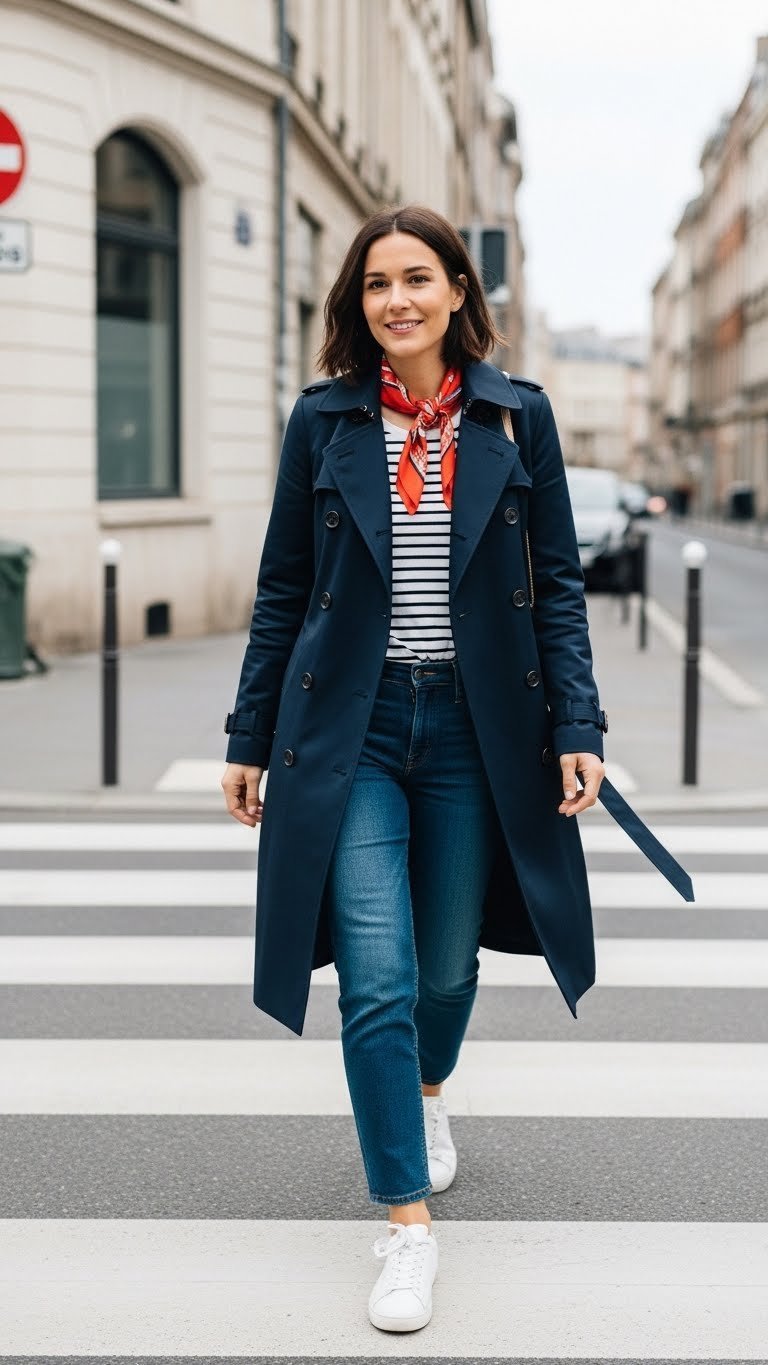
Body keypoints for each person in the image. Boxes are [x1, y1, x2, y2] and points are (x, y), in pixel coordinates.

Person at [221, 203, 609, 1333]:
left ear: (454, 293)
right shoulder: (325, 423)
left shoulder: (515, 418)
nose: (397, 299)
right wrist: (250, 738)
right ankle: (403, 1226)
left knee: (445, 971)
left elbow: (563, 590)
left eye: (418, 279)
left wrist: (576, 725)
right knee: (378, 978)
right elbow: (283, 587)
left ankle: (431, 1093)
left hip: (479, 732)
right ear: (359, 302)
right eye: (376, 283)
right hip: (355, 727)